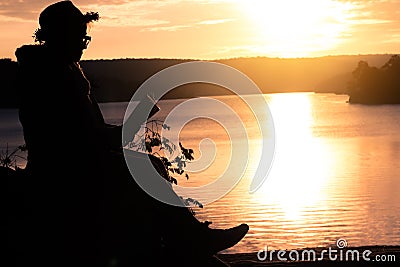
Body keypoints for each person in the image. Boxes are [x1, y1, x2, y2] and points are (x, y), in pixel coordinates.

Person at [13, 1, 249, 266]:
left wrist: (128, 130)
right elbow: (85, 141)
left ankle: (186, 237)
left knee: (149, 164)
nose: (83, 44)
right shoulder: (53, 79)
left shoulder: (59, 72)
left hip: (72, 165)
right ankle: (188, 238)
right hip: (63, 174)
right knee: (144, 166)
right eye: (80, 37)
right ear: (61, 36)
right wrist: (136, 123)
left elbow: (89, 135)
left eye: (85, 38)